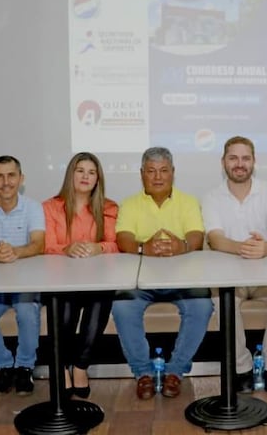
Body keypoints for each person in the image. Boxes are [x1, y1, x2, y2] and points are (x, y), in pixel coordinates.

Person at [112, 147, 213, 400]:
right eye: (151, 171)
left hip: (182, 279)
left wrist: (183, 246)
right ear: (141, 174)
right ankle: (143, 373)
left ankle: (175, 372)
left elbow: (196, 237)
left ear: (173, 173)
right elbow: (123, 238)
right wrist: (143, 247)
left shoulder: (188, 201)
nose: (158, 177)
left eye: (164, 171)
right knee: (122, 307)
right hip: (140, 279)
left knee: (202, 305)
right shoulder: (130, 203)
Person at [202, 136, 267, 394]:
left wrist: (266, 248)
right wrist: (243, 247)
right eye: (233, 158)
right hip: (231, 275)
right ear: (223, 162)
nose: (239, 164)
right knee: (222, 300)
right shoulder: (211, 196)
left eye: (245, 158)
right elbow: (215, 239)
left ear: (254, 161)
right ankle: (241, 368)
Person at [43, 152, 118, 399]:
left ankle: (81, 366)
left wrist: (100, 247)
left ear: (98, 179)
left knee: (103, 299)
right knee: (63, 305)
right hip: (61, 280)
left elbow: (116, 244)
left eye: (91, 172)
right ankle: (62, 367)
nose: (86, 176)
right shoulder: (50, 207)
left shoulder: (109, 208)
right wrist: (66, 248)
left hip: (95, 280)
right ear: (70, 174)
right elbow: (45, 246)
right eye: (80, 170)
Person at [0, 155, 45, 396]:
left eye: (11, 175)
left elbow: (38, 244)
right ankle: (4, 366)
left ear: (21, 179)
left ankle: (24, 367)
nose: (5, 182)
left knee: (27, 312)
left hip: (26, 279)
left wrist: (15, 252)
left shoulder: (33, 207)